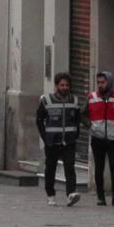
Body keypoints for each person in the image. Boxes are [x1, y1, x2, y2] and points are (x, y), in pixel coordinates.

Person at [36, 72, 82, 207]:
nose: (65, 87)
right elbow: (39, 120)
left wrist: (76, 134)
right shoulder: (46, 100)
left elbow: (77, 120)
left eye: (67, 85)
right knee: (50, 168)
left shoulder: (74, 101)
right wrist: (45, 137)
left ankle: (71, 194)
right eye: (62, 85)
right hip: (52, 141)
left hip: (68, 141)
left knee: (70, 167)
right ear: (56, 86)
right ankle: (50, 194)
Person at [86, 71, 114, 206]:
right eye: (98, 82)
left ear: (109, 82)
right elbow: (81, 114)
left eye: (102, 82)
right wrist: (90, 126)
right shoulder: (92, 97)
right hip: (97, 138)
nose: (100, 85)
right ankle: (100, 196)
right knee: (99, 167)